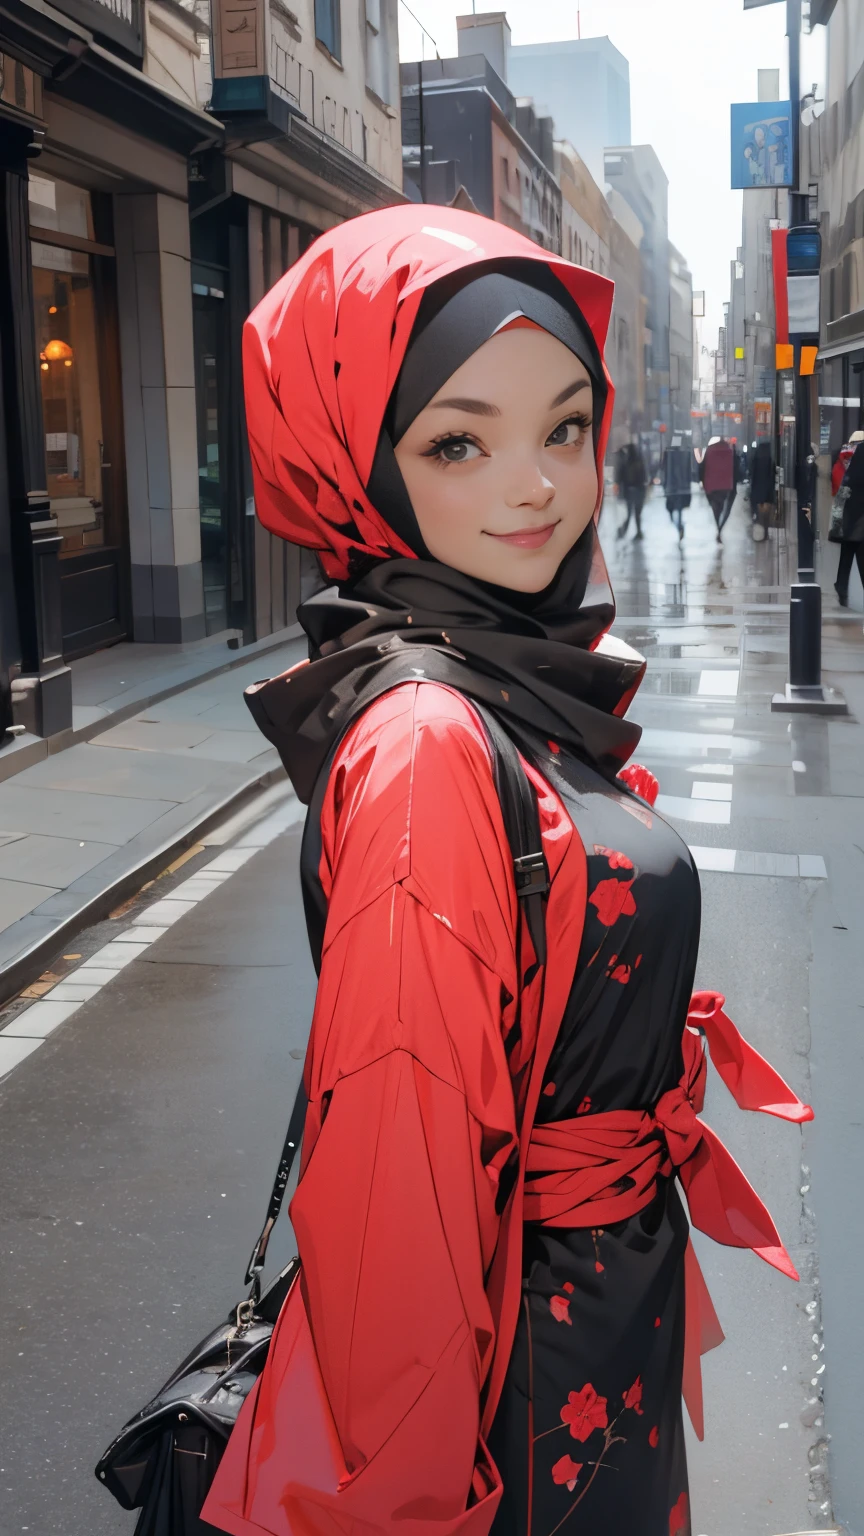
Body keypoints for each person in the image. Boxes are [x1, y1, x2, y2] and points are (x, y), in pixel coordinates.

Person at [200, 206, 811, 1536]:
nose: (537, 484)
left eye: (566, 427)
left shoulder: (503, 680)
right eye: (460, 442)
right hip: (524, 1393)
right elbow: (397, 1227)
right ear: (361, 468)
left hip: (591, 1336)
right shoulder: (427, 739)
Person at [834, 438, 864, 607]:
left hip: (851, 516)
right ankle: (841, 586)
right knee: (860, 552)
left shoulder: (854, 468)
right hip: (860, 517)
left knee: (847, 552)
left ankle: (841, 585)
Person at [700, 436, 740, 541]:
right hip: (726, 486)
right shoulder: (729, 451)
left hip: (711, 486)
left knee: (716, 509)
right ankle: (719, 529)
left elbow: (702, 467)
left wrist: (702, 482)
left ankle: (718, 526)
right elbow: (736, 468)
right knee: (724, 509)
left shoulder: (710, 450)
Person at [613, 440, 648, 539]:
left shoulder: (626, 461)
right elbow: (644, 476)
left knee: (629, 514)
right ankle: (637, 532)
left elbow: (620, 475)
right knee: (637, 514)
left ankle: (623, 532)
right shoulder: (640, 461)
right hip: (639, 491)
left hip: (629, 491)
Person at [662, 437, 692, 540]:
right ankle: (680, 528)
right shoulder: (681, 455)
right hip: (679, 488)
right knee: (677, 512)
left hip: (673, 488)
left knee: (673, 511)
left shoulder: (669, 455)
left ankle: (679, 528)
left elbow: (664, 470)